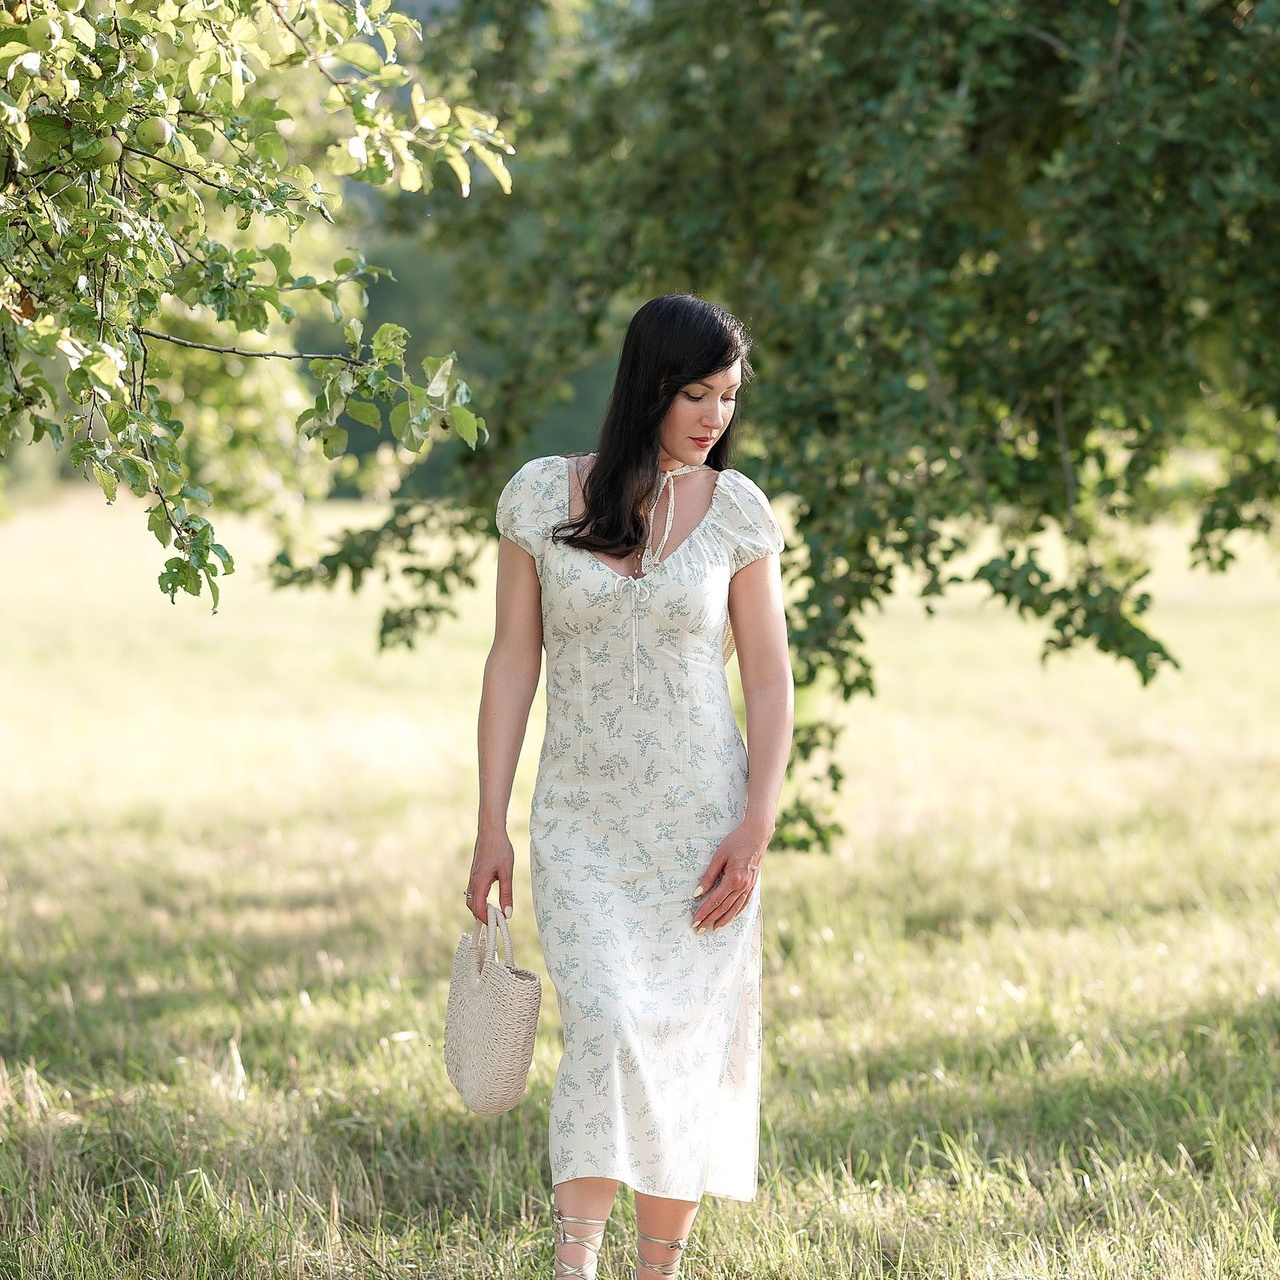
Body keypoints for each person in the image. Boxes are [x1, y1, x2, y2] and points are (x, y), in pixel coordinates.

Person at [465, 293, 793, 1279]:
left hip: (703, 826)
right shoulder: (538, 496)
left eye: (727, 396)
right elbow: (510, 660)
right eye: (695, 391)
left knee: (678, 1051)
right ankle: (574, 1264)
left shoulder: (735, 512)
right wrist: (490, 821)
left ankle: (657, 1269)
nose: (712, 415)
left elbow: (769, 676)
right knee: (605, 1023)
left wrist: (756, 823)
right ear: (649, 382)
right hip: (582, 821)